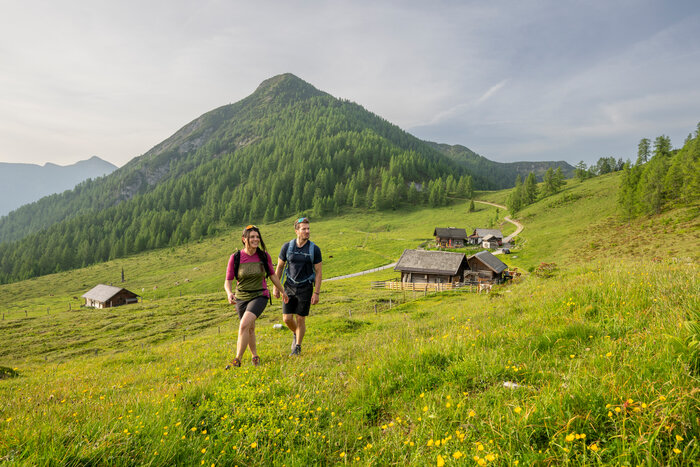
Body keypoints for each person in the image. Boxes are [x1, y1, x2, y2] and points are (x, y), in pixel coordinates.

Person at [224, 225, 288, 368]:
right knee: (249, 328)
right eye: (252, 237)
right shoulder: (236, 257)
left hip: (260, 295)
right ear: (244, 239)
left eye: (257, 237)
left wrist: (282, 291)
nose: (255, 239)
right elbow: (228, 281)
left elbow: (272, 275)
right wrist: (229, 293)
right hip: (241, 297)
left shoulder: (263, 256)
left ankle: (237, 360)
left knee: (243, 324)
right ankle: (255, 356)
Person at [273, 217, 322, 356]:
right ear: (296, 231)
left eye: (308, 228)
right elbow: (280, 268)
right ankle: (296, 333)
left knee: (300, 318)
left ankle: (297, 347)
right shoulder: (287, 247)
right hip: (289, 286)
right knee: (287, 319)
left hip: (306, 287)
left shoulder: (314, 249)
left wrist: (316, 293)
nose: (307, 231)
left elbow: (318, 272)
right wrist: (276, 287)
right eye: (304, 229)